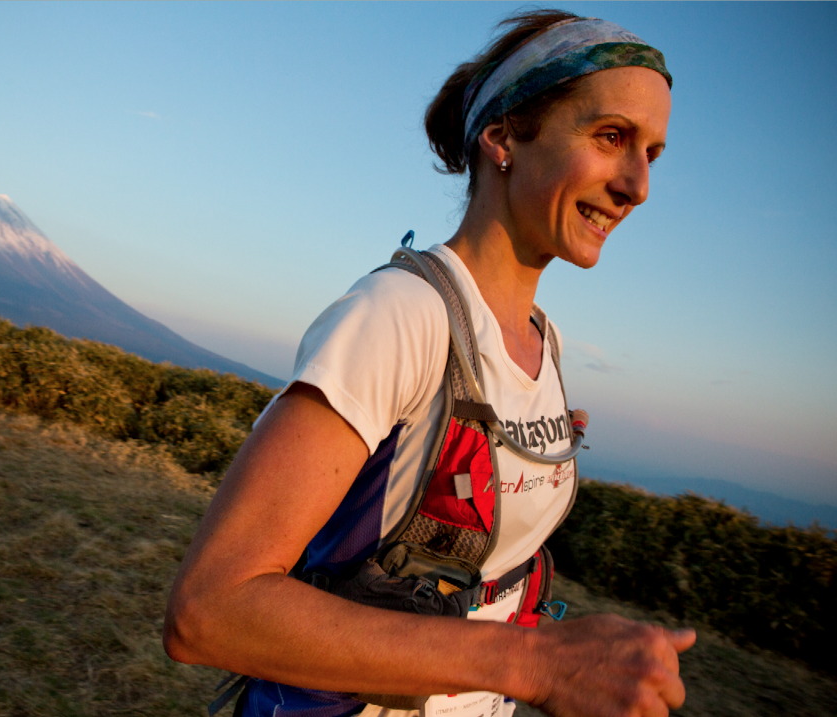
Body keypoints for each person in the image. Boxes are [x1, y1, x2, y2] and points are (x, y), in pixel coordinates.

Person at [165, 9, 695, 717]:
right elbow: (209, 610)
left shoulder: (545, 341)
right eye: (611, 137)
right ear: (502, 136)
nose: (638, 185)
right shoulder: (400, 316)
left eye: (652, 153)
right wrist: (535, 663)